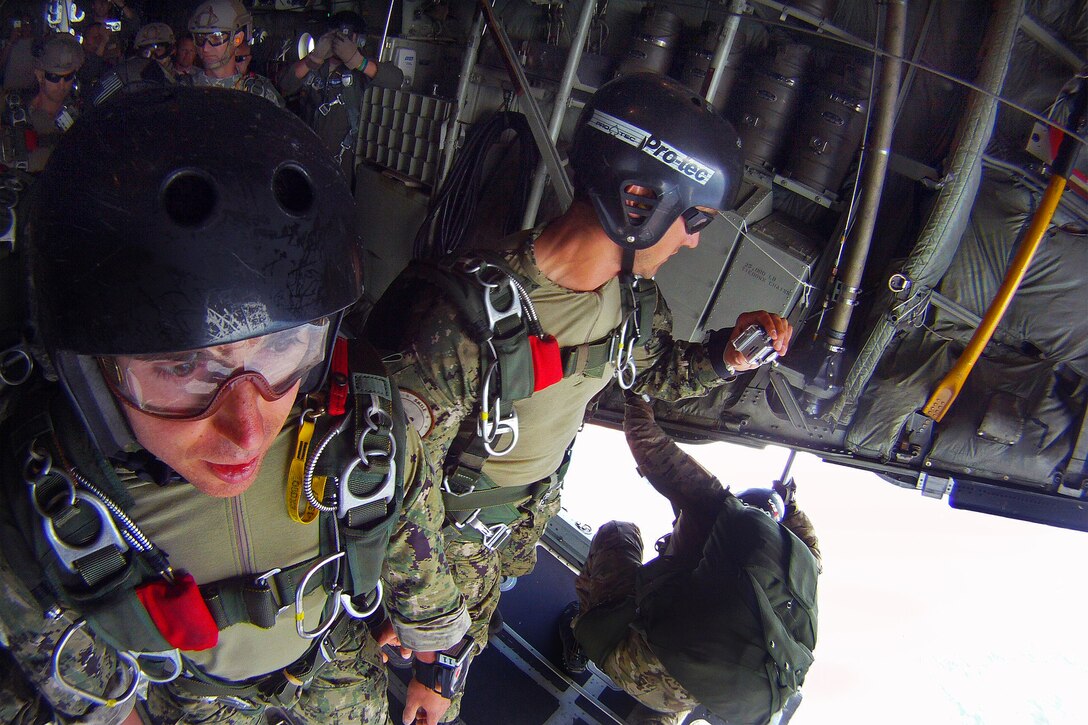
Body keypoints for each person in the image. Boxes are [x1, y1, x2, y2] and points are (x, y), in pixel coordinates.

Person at [0, 87, 467, 725]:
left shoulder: (361, 434)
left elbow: (414, 545)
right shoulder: (42, 509)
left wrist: (437, 664)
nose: (247, 430)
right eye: (181, 367)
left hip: (335, 663)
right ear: (90, 374)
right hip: (194, 701)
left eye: (280, 347)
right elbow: (94, 695)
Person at [366, 72, 793, 720]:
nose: (693, 239)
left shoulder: (631, 301)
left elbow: (655, 373)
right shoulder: (457, 317)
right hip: (435, 545)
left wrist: (726, 356)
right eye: (694, 218)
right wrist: (439, 648)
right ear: (642, 198)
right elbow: (392, 488)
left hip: (502, 533)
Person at [562, 395, 822, 725]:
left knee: (619, 533)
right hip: (699, 689)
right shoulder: (800, 569)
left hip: (630, 659)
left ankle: (579, 641)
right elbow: (810, 543)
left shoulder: (718, 507)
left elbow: (647, 441)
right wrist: (791, 506)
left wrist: (637, 396)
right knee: (691, 662)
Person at [278, 10, 403, 184]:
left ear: (358, 40)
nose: (339, 42)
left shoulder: (363, 71)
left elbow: (396, 79)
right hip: (306, 157)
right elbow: (285, 84)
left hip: (342, 162)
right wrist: (314, 57)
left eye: (346, 37)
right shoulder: (314, 66)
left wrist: (358, 61)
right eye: (335, 36)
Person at [0, 32, 83, 173]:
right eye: (54, 77)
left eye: (68, 77)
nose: (62, 84)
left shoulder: (79, 114)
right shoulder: (11, 105)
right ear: (40, 75)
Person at [186, 0, 283, 107]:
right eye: (200, 38)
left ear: (237, 39)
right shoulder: (183, 90)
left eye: (216, 37)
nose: (205, 48)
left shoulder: (259, 94)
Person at [90, 22, 178, 106]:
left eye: (158, 50)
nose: (152, 57)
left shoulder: (182, 80)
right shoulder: (124, 73)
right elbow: (96, 101)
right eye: (147, 51)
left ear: (171, 51)